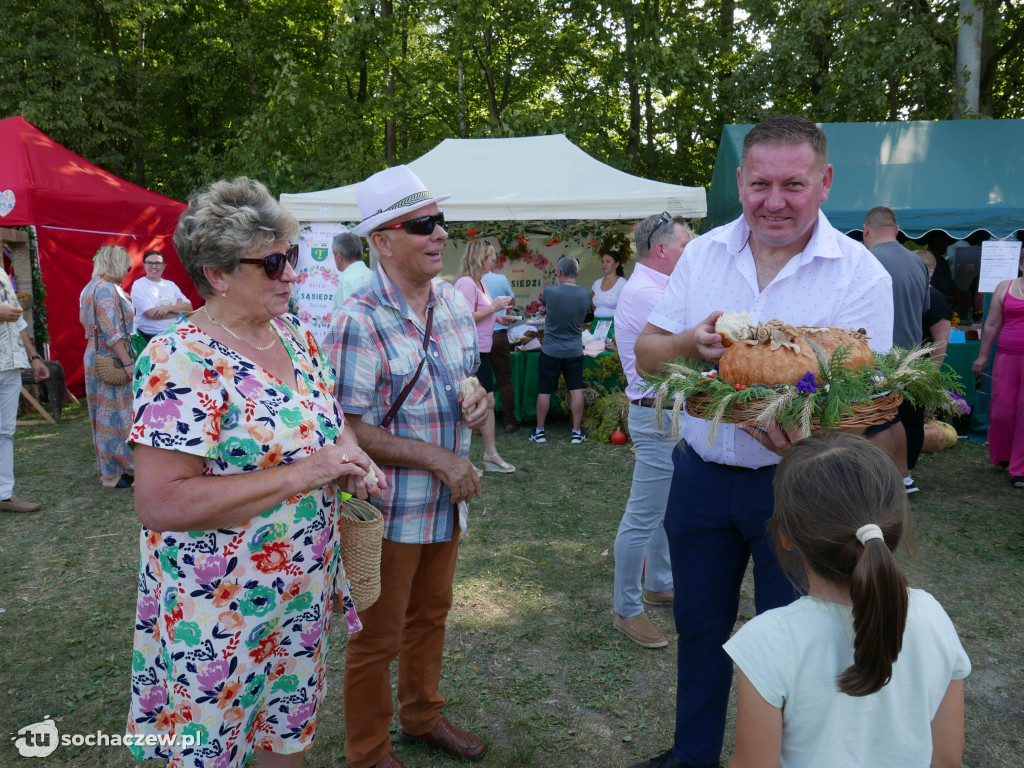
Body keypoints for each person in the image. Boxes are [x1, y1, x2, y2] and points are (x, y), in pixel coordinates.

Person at [630, 115, 894, 768]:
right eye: (759, 184)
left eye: (793, 184)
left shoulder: (860, 274)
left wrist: (804, 434)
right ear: (741, 183)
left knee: (795, 642)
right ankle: (692, 757)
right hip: (701, 477)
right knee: (698, 630)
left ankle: (781, 759)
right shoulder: (703, 254)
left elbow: (864, 404)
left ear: (825, 182)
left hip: (797, 490)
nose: (774, 201)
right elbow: (648, 355)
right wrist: (692, 342)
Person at [126, 177, 382, 768]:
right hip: (218, 609)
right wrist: (307, 473)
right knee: (211, 747)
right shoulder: (178, 359)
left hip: (300, 594)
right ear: (217, 274)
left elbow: (331, 423)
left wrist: (351, 459)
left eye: (289, 256)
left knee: (284, 737)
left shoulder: (294, 335)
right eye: (272, 262)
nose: (292, 272)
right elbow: (161, 503)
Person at [325, 165, 491, 768]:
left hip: (448, 501)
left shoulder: (449, 302)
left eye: (440, 222)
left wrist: (479, 400)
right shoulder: (358, 319)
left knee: (431, 617)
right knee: (377, 639)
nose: (439, 234)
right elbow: (350, 429)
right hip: (389, 509)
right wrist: (442, 459)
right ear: (382, 241)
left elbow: (465, 380)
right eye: (422, 224)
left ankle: (422, 717)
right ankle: (368, 752)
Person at [725, 433, 970, 768]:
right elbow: (945, 759)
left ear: (785, 535)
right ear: (891, 526)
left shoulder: (768, 641)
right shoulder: (932, 616)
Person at [611, 213, 692, 648]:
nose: (690, 251)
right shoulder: (646, 292)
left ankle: (659, 585)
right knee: (643, 516)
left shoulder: (653, 287)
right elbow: (689, 350)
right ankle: (626, 609)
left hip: (663, 411)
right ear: (661, 250)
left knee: (662, 510)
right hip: (656, 413)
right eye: (685, 244)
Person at [862, 206, 931, 494]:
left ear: (866, 230)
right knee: (903, 419)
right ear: (898, 230)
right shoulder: (918, 263)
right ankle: (905, 477)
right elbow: (925, 308)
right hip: (912, 355)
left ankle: (884, 481)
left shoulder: (866, 260)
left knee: (879, 421)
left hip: (879, 357)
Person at [455, 240, 516, 472]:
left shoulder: (479, 283)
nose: (494, 261)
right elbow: (464, 318)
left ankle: (490, 454)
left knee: (488, 402)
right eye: (491, 257)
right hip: (470, 353)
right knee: (470, 406)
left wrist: (498, 318)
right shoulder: (466, 283)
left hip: (483, 351)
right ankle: (465, 459)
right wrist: (493, 309)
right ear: (481, 258)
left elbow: (479, 314)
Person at [81, 245, 136, 489]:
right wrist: (128, 362)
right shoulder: (104, 289)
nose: (128, 269)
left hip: (97, 354)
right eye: (126, 264)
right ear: (115, 263)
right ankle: (113, 473)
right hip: (110, 358)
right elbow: (112, 333)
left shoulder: (91, 287)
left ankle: (111, 469)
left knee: (105, 415)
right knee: (113, 415)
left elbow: (84, 321)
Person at [972, 250, 1024, 489]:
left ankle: (1019, 468)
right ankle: (1003, 454)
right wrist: (983, 356)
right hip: (1006, 356)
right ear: (1021, 264)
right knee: (1001, 410)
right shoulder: (1005, 287)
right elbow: (992, 323)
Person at [0, 266, 49, 513]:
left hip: (9, 363)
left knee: (5, 431)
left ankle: (4, 494)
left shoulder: (1, 273)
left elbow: (18, 319)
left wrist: (34, 357)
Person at [529, 256, 591, 445]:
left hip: (551, 350)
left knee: (545, 391)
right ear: (578, 273)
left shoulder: (550, 291)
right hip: (574, 350)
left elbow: (546, 308)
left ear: (559, 273)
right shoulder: (585, 294)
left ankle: (540, 431)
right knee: (576, 389)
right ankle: (576, 432)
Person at [481, 259, 519, 433]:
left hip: (479, 336)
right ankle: (509, 422)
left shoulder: (468, 280)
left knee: (479, 383)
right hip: (498, 334)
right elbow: (512, 302)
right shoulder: (501, 279)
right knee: (504, 381)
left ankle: (479, 424)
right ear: (491, 263)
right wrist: (505, 314)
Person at [129, 249, 192, 342]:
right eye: (149, 263)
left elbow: (189, 308)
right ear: (144, 265)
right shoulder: (139, 285)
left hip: (174, 335)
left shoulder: (171, 285)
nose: (154, 266)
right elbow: (151, 314)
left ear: (163, 266)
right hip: (149, 337)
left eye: (158, 263)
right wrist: (178, 310)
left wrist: (167, 308)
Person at [332, 231, 371, 314]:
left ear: (339, 256)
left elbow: (348, 319)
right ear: (361, 253)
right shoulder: (372, 275)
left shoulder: (348, 281)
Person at [591, 249, 626, 339]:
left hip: (614, 326)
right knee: (594, 351)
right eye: (602, 262)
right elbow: (593, 305)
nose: (604, 264)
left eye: (608, 261)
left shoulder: (622, 283)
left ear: (616, 264)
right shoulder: (596, 283)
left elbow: (626, 308)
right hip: (597, 324)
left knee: (611, 352)